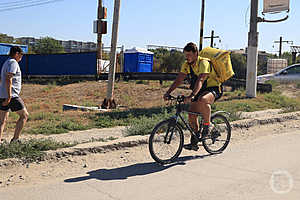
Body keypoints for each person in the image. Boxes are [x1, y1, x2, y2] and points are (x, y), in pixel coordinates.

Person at [163, 42, 223, 151]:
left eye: (189, 55)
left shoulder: (203, 62)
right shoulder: (187, 64)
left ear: (196, 53)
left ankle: (208, 124)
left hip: (213, 88)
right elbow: (179, 79)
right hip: (199, 90)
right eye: (186, 55)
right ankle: (194, 141)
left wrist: (192, 95)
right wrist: (168, 92)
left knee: (203, 100)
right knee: (191, 114)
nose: (187, 57)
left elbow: (201, 79)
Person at [0, 46, 29, 144]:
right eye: (21, 55)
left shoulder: (6, 62)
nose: (21, 57)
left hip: (2, 95)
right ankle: (15, 139)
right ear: (16, 53)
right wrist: (9, 96)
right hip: (11, 96)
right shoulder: (13, 63)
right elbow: (8, 78)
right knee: (24, 115)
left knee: (2, 120)